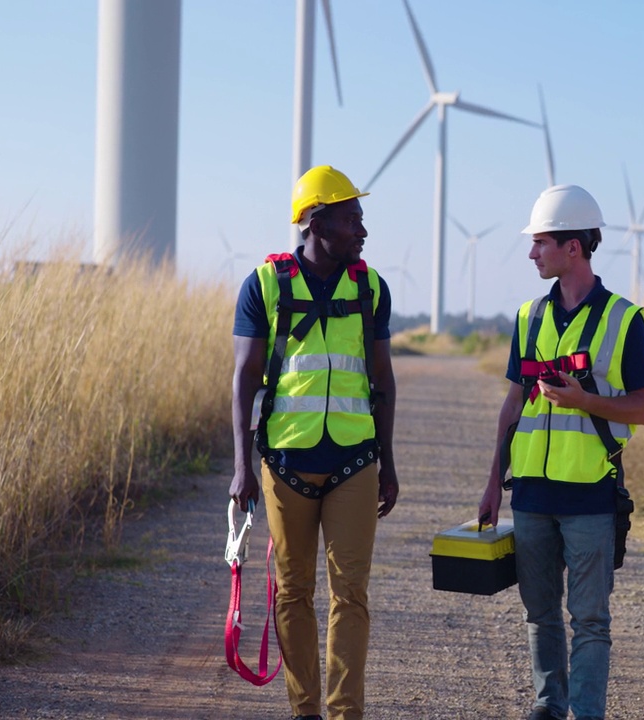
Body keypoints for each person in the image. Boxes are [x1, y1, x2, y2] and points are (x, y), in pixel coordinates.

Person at [479, 184, 644, 720]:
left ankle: (584, 714)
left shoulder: (624, 319)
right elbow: (513, 403)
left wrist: (586, 401)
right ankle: (547, 706)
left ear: (573, 248)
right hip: (530, 493)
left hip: (589, 496)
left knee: (590, 619)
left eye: (540, 243)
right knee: (539, 613)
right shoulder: (528, 318)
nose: (532, 254)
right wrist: (493, 482)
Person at [230, 164, 400, 720]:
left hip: (355, 462)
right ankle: (305, 710)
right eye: (352, 218)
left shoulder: (372, 288)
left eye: (361, 218)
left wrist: (389, 463)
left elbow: (383, 381)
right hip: (285, 464)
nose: (363, 230)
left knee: (351, 594)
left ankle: (346, 712)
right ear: (315, 221)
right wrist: (241, 468)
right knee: (292, 592)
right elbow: (244, 379)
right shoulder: (264, 286)